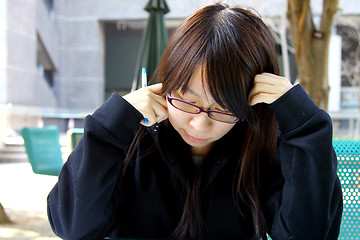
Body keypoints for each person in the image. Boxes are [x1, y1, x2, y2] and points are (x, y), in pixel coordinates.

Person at [47, 3, 343, 240]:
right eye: (187, 101)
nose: (200, 125)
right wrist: (108, 129)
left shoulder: (263, 148)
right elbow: (75, 228)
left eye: (225, 107)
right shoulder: (129, 139)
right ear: (167, 82)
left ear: (252, 101)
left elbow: (307, 234)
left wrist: (306, 128)